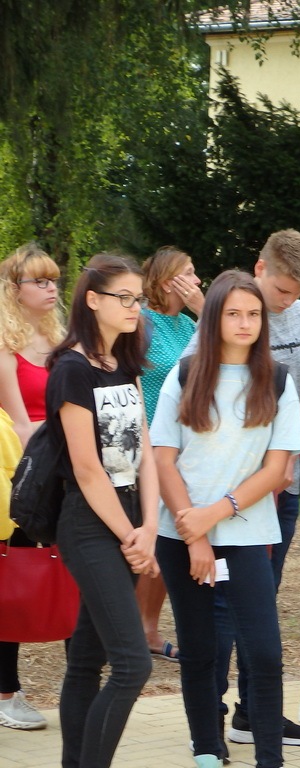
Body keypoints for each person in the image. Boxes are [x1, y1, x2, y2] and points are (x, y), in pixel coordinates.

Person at [152, 270, 300, 768]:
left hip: (246, 535)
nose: (245, 323)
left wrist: (214, 516)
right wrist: (194, 534)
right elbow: (163, 459)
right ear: (215, 318)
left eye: (254, 314)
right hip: (180, 535)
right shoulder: (184, 375)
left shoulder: (277, 380)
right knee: (199, 650)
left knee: (264, 653)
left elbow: (276, 470)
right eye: (234, 313)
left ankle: (269, 759)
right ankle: (207, 751)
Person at [194, 230, 300, 749]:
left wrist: (286, 454)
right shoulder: (225, 318)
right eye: (283, 290)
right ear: (260, 269)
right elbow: (199, 402)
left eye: (297, 295)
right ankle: (210, 720)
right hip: (225, 494)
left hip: (279, 488)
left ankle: (255, 713)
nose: (288, 303)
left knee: (261, 605)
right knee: (221, 609)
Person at [48, 253, 158, 768]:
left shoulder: (123, 363)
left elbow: (145, 450)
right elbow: (87, 470)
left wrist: (149, 526)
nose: (136, 307)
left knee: (87, 661)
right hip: (90, 524)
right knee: (133, 665)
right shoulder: (70, 370)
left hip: (131, 519)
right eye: (125, 298)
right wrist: (129, 535)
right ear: (92, 300)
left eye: (139, 298)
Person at [0, 243, 63, 730]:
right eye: (39, 281)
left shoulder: (60, 341)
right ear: (14, 289)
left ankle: (82, 684)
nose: (50, 288)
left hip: (62, 468)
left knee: (72, 572)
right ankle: (5, 692)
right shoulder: (5, 346)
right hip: (21, 476)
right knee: (14, 581)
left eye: (54, 280)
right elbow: (20, 426)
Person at [136, 246, 203, 665]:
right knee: (155, 535)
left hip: (183, 444)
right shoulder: (142, 323)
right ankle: (135, 627)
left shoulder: (191, 323)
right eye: (189, 273)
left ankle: (146, 625)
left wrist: (204, 312)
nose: (197, 280)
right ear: (166, 281)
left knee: (168, 535)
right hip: (147, 444)